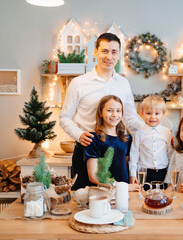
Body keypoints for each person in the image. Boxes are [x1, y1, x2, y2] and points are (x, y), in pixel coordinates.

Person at [59, 33, 144, 189]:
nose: (109, 56)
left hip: (115, 151)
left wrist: (153, 131)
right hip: (87, 149)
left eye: (114, 52)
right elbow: (64, 117)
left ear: (119, 54)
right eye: (104, 51)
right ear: (95, 52)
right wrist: (78, 134)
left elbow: (130, 117)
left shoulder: (123, 84)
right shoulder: (79, 83)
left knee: (117, 202)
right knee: (83, 201)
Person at [84, 95, 139, 191]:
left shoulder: (127, 139)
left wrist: (131, 178)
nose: (114, 115)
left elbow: (127, 166)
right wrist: (123, 187)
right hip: (104, 191)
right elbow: (93, 176)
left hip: (125, 192)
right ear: (101, 113)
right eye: (109, 110)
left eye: (118, 111)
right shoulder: (93, 139)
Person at [129, 95, 173, 184]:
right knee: (144, 196)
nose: (152, 117)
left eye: (157, 113)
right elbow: (134, 155)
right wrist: (132, 174)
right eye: (148, 113)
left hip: (162, 172)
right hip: (144, 173)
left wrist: (170, 172)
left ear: (163, 114)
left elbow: (170, 153)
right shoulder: (138, 133)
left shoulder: (167, 132)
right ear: (142, 114)